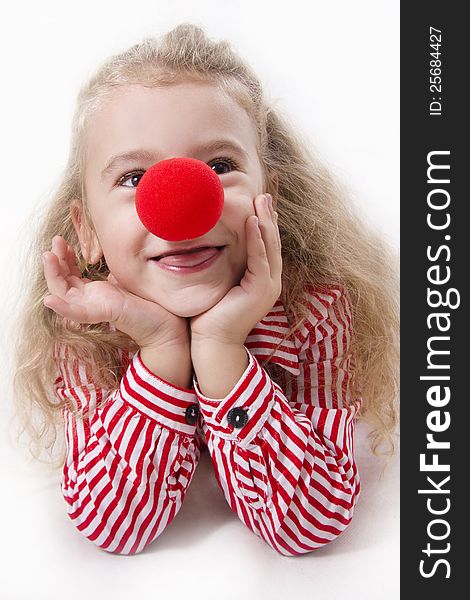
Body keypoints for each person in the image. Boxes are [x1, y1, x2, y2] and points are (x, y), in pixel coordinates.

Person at [13, 23, 399, 556]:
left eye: (220, 166)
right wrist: (161, 347)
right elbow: (113, 528)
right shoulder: (87, 331)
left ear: (270, 200)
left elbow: (312, 525)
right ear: (87, 233)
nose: (180, 208)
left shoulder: (318, 312)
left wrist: (221, 349)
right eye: (133, 178)